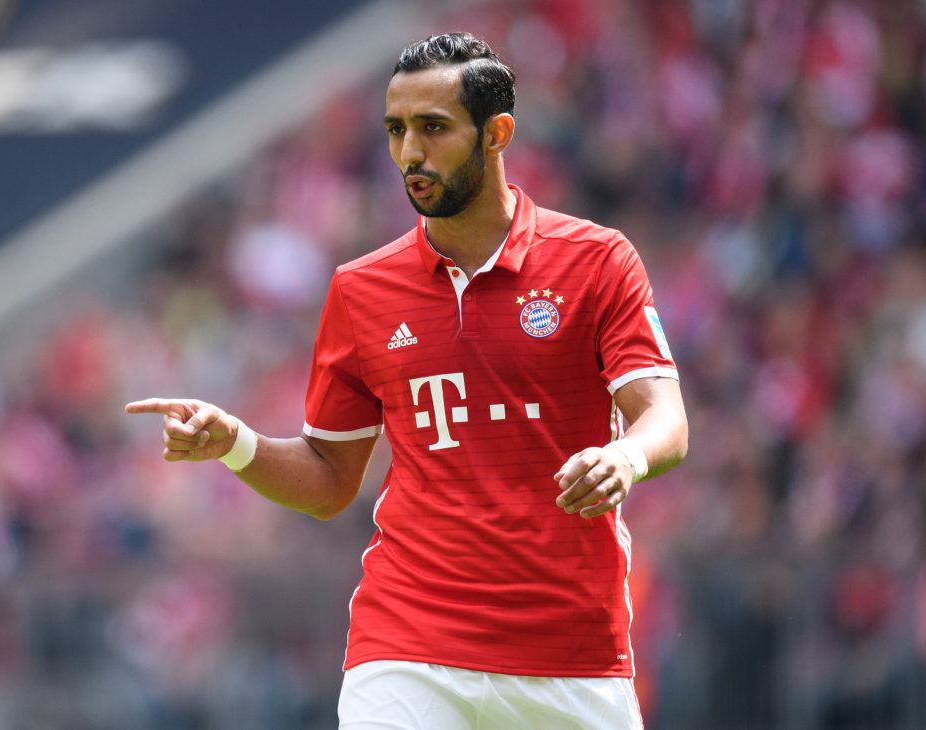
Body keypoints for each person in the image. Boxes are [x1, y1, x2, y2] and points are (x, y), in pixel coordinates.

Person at [127, 31, 688, 730]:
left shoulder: (597, 262)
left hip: (568, 651)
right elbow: (331, 478)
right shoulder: (361, 290)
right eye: (396, 130)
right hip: (407, 644)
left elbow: (665, 416)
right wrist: (237, 443)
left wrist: (624, 456)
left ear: (496, 134)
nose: (410, 153)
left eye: (433, 128)